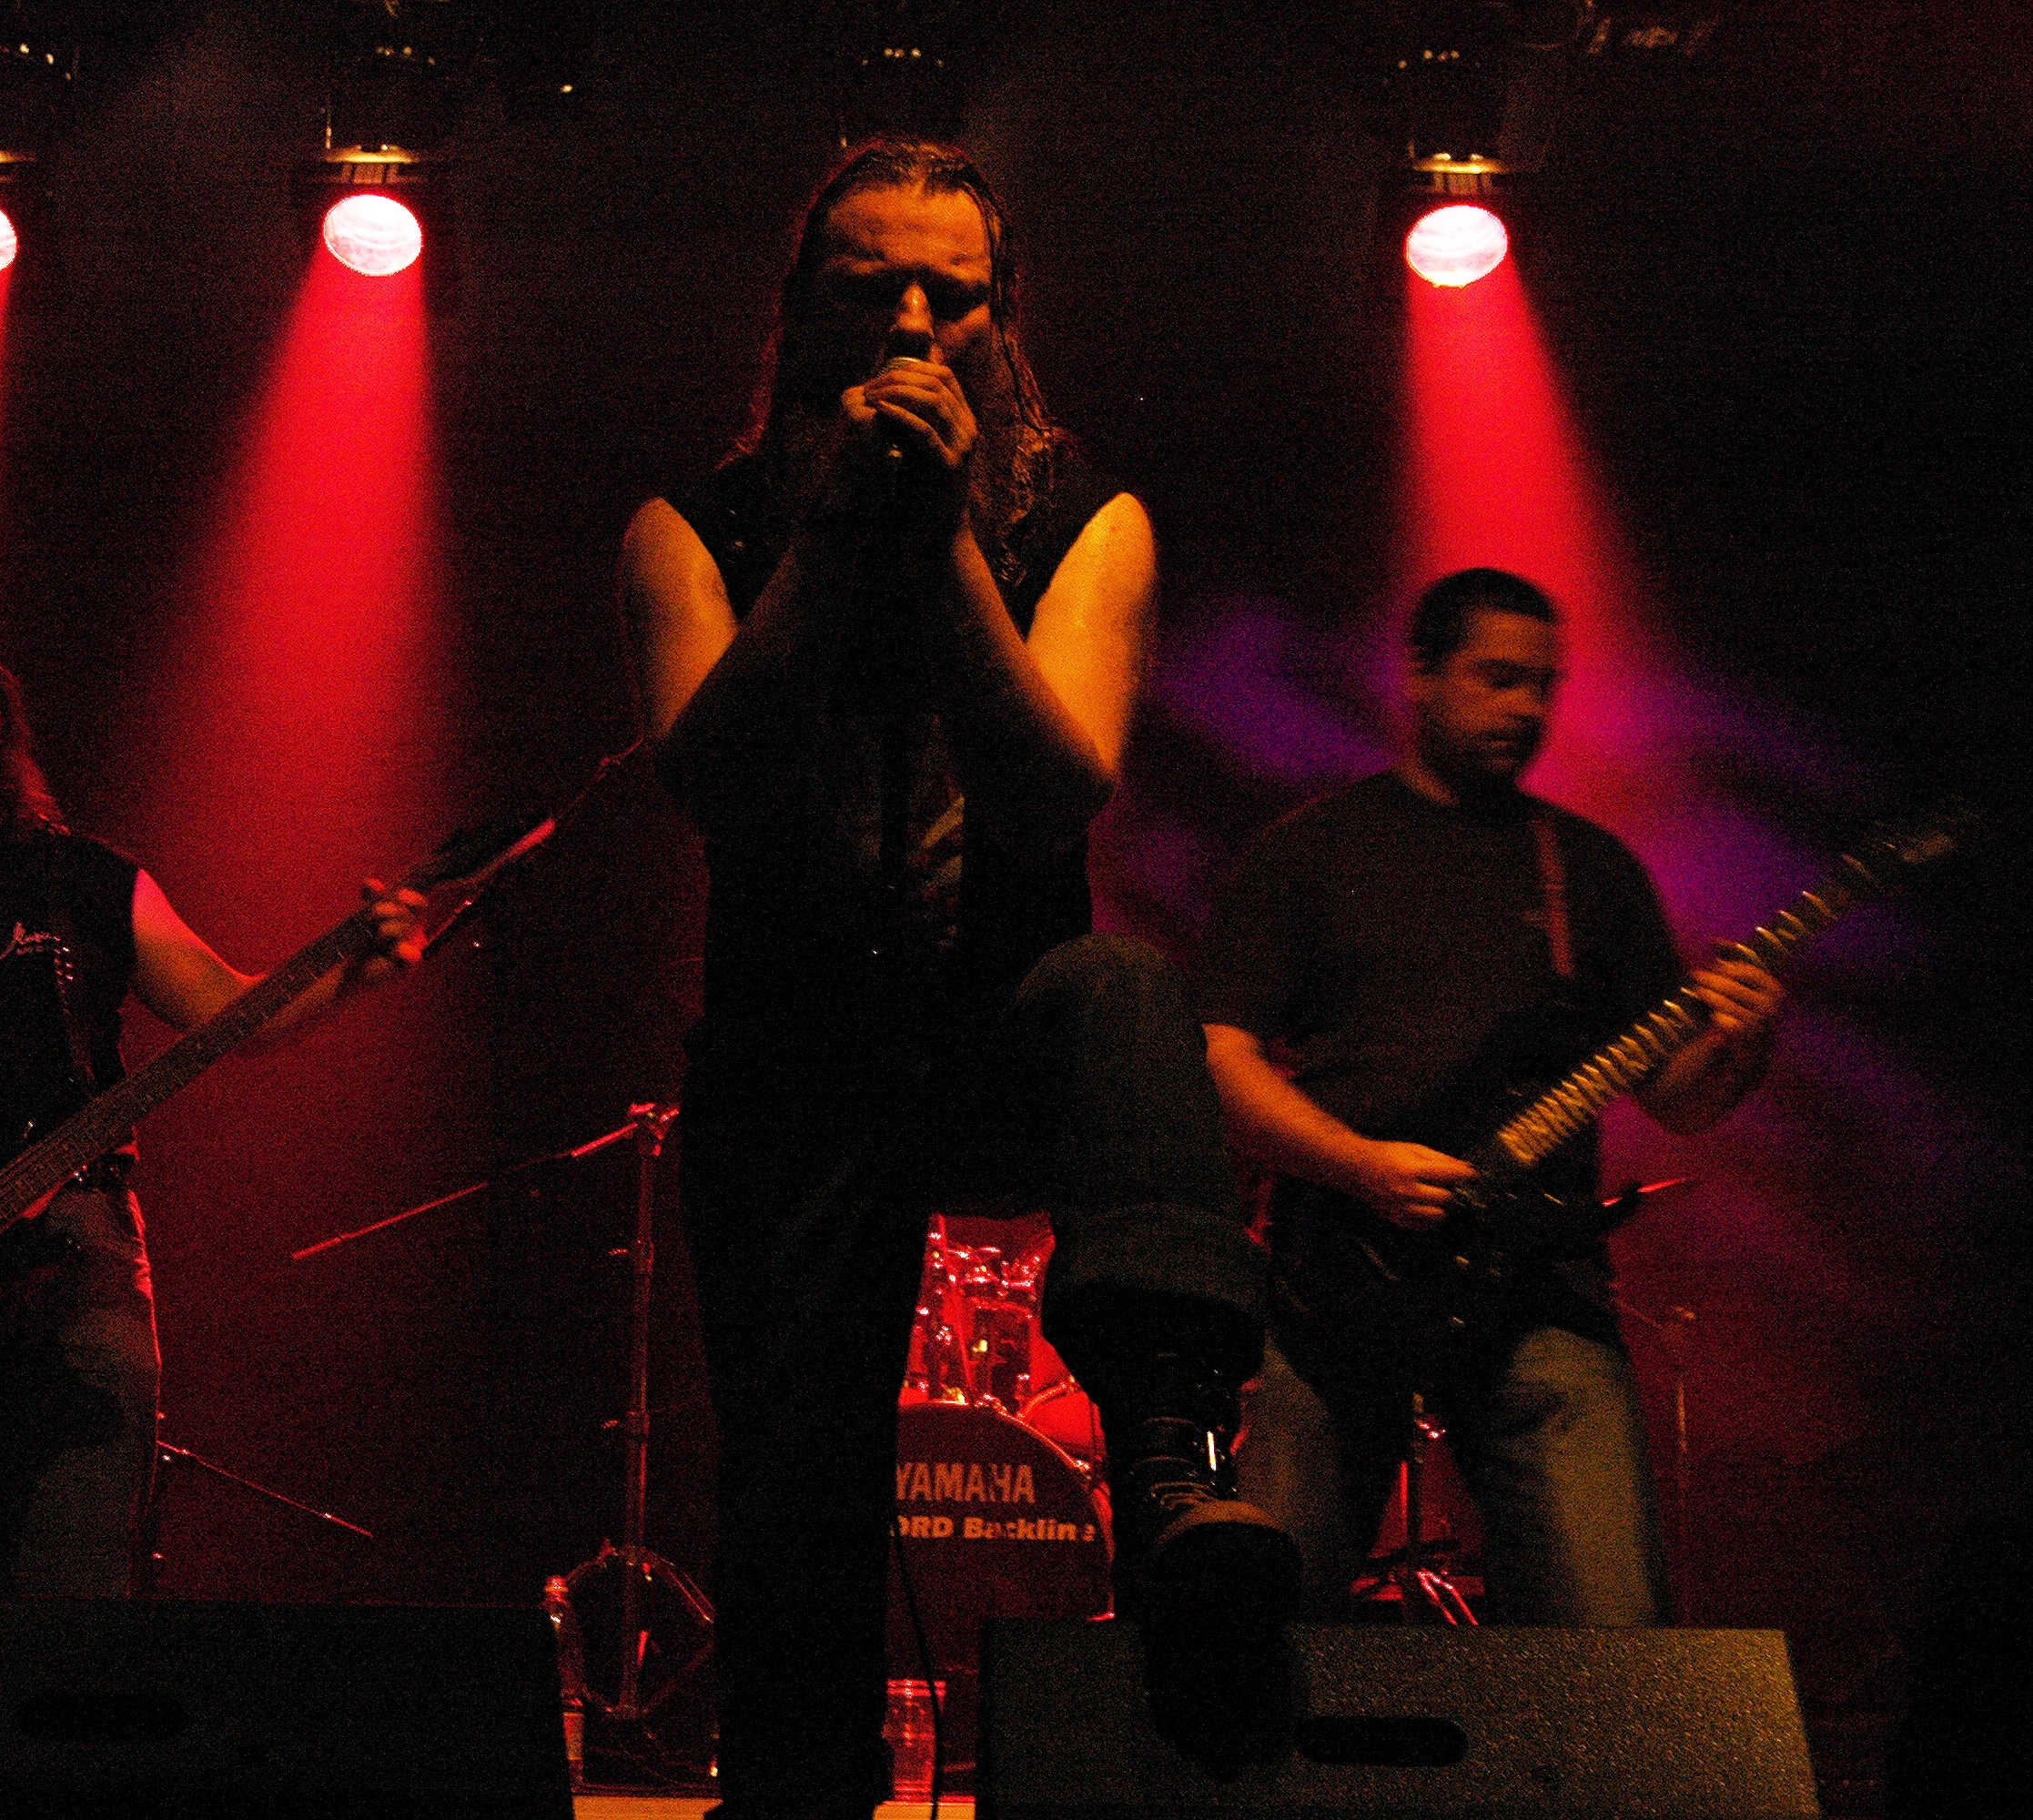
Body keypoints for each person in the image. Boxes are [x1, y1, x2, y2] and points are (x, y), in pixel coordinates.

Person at [622, 139, 1293, 1817]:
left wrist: (939, 549)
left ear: (1004, 318)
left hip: (994, 1025)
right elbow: (711, 775)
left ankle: (1172, 1470)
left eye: (953, 293)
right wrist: (839, 536)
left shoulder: (1085, 519)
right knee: (794, 1498)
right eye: (873, 290)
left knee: (1120, 988)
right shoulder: (690, 529)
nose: (915, 324)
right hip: (790, 1051)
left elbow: (1055, 787)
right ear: (803, 312)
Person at [0, 620, 423, 1596]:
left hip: (79, 1236)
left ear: (2, 714)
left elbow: (232, 1010)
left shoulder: (87, 878)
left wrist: (357, 970)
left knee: (80, 1567)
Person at [1203, 568, 1784, 1625]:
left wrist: (1744, 1044)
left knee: (1612, 1644)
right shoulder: (1312, 850)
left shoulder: (1588, 870)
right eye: (1498, 677)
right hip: (1336, 1283)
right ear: (1419, 674)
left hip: (1539, 1290)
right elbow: (1218, 1060)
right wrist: (1358, 1165)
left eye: (1544, 685)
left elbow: (1679, 1100)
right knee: (1262, 1630)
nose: (1527, 707)